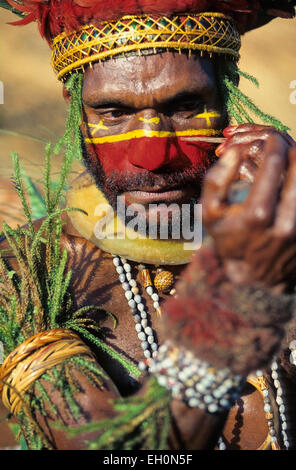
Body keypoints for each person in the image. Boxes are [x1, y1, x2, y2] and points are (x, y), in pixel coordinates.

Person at [0, 0, 296, 451]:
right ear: (76, 110)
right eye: (113, 112)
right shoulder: (24, 274)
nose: (153, 155)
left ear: (226, 99)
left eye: (185, 107)